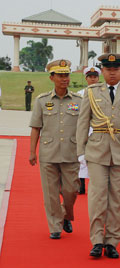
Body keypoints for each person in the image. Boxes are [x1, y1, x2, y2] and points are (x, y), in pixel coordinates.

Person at [76, 53, 120, 259]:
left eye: (116, 69)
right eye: (108, 69)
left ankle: (112, 241)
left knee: (118, 199)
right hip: (97, 150)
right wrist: (81, 151)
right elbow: (82, 123)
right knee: (97, 197)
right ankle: (96, 240)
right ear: (102, 71)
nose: (112, 72)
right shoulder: (91, 92)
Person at [29, 59, 81, 239]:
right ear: (52, 78)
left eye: (66, 75)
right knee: (51, 193)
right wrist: (31, 152)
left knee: (71, 190)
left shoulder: (78, 101)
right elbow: (36, 127)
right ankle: (55, 227)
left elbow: (84, 127)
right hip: (48, 153)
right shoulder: (42, 101)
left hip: (71, 152)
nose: (64, 79)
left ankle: (65, 214)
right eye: (60, 75)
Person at [77, 66, 101, 194]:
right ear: (86, 79)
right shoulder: (80, 94)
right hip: (85, 129)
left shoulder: (104, 93)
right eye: (90, 77)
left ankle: (96, 184)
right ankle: (81, 184)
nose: (93, 79)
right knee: (81, 157)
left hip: (98, 130)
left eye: (95, 77)